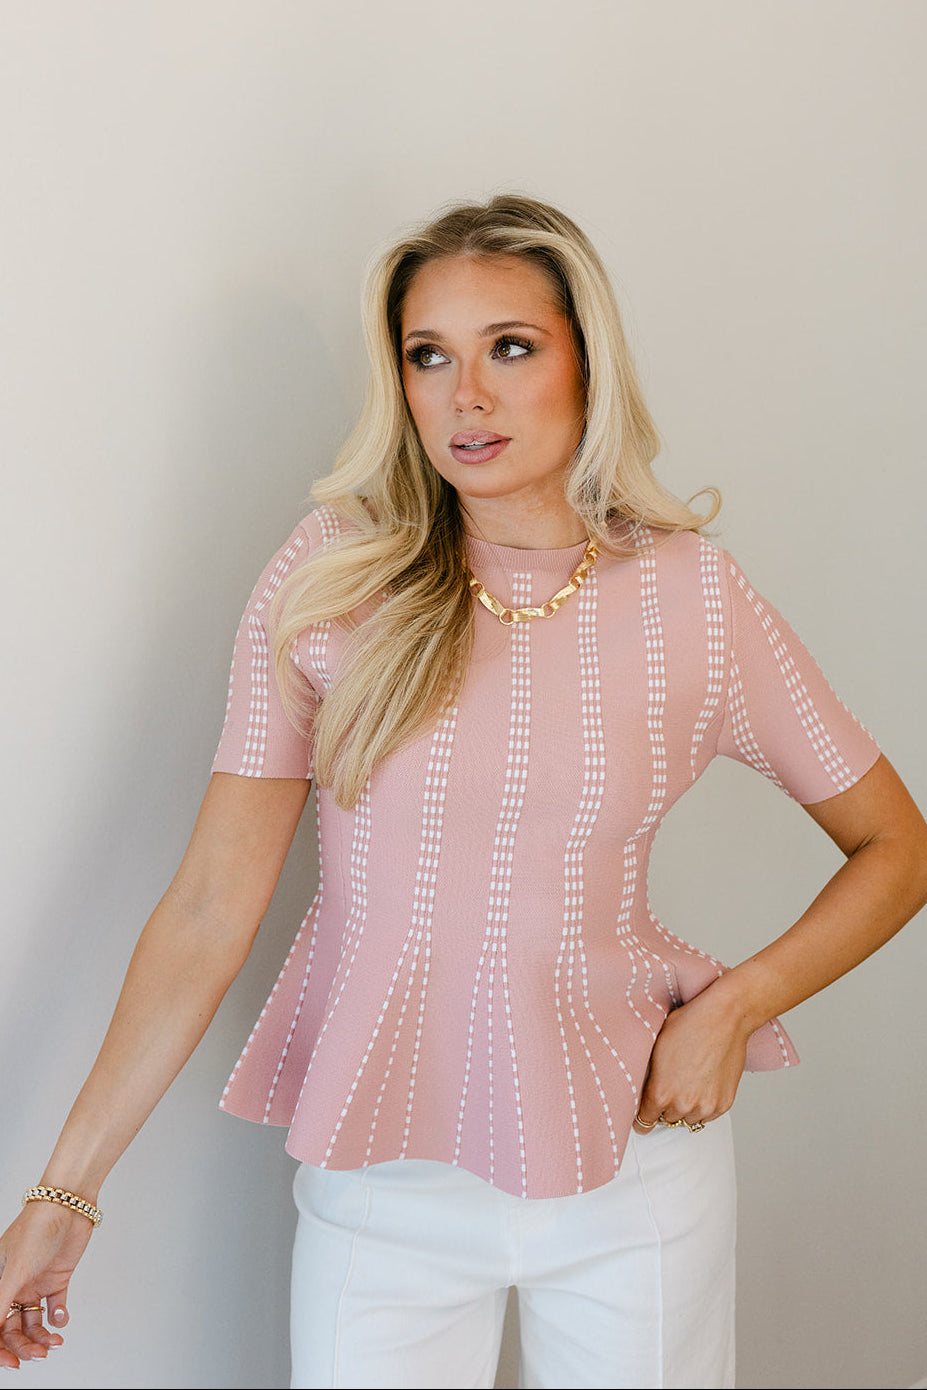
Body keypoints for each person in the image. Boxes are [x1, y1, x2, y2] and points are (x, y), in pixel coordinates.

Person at [1, 193, 925, 1390]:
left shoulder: (694, 596)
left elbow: (895, 846)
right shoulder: (334, 576)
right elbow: (208, 909)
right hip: (382, 1180)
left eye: (511, 348)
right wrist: (66, 1192)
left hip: (634, 1168)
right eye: (429, 356)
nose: (466, 395)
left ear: (587, 360)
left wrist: (737, 1006)